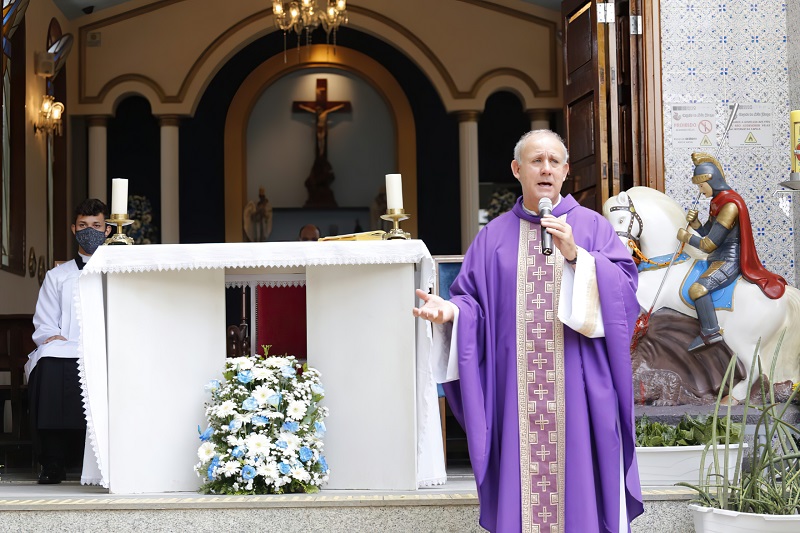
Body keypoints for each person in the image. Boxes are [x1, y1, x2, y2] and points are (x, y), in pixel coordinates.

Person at [413, 130, 644, 532]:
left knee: (581, 493)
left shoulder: (593, 228)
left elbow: (625, 295)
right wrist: (451, 312)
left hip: (581, 391)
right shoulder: (492, 238)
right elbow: (472, 301)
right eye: (537, 160)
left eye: (555, 161)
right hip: (515, 395)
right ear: (517, 170)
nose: (546, 168)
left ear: (567, 171)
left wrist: (577, 257)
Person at [26, 198, 112, 484]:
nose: (90, 231)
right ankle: (53, 460)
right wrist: (53, 336)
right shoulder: (58, 276)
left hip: (108, 345)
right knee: (50, 361)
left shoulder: (119, 273)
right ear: (74, 229)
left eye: (97, 225)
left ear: (108, 230)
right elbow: (45, 322)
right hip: (67, 345)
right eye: (84, 225)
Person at [677, 152, 786, 352]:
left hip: (728, 260)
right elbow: (709, 233)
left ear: (713, 181)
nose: (700, 191)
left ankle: (710, 331)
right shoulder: (717, 202)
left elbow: (709, 244)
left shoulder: (729, 206)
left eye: (702, 186)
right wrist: (696, 224)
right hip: (717, 257)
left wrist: (686, 237)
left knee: (697, 290)